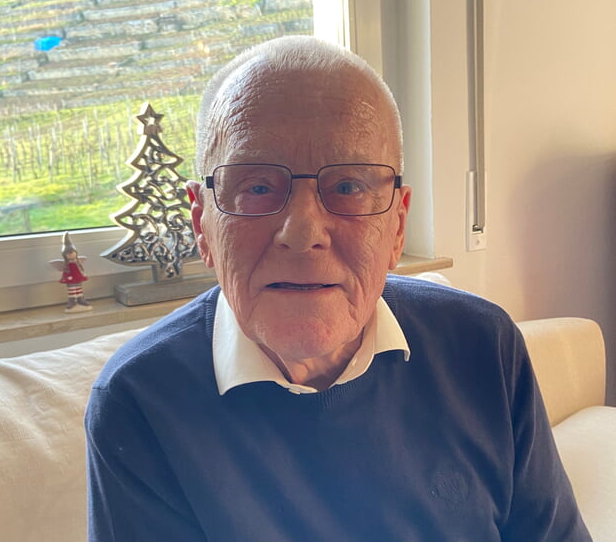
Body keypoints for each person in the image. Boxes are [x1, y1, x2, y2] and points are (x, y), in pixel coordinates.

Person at [85, 36, 591, 541]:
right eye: (257, 187)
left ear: (397, 224)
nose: (303, 232)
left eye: (348, 187)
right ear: (202, 224)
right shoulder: (139, 400)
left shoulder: (483, 344)